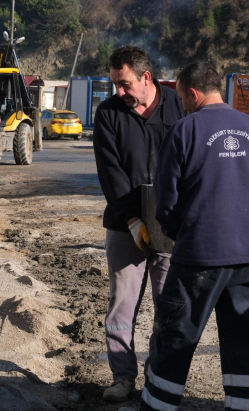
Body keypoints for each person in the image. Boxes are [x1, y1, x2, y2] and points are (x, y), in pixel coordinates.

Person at [139, 62, 249, 411]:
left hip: (199, 255)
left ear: (193, 94)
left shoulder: (185, 130)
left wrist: (180, 234)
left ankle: (158, 407)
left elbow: (166, 200)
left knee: (176, 336)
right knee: (243, 337)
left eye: (184, 98)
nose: (183, 105)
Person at [92, 46, 185, 403]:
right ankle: (122, 376)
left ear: (147, 78)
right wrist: (133, 220)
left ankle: (158, 376)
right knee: (122, 305)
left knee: (168, 305)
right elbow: (110, 172)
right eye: (114, 83)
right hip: (124, 225)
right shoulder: (109, 113)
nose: (118, 91)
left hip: (170, 226)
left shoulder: (179, 107)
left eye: (125, 84)